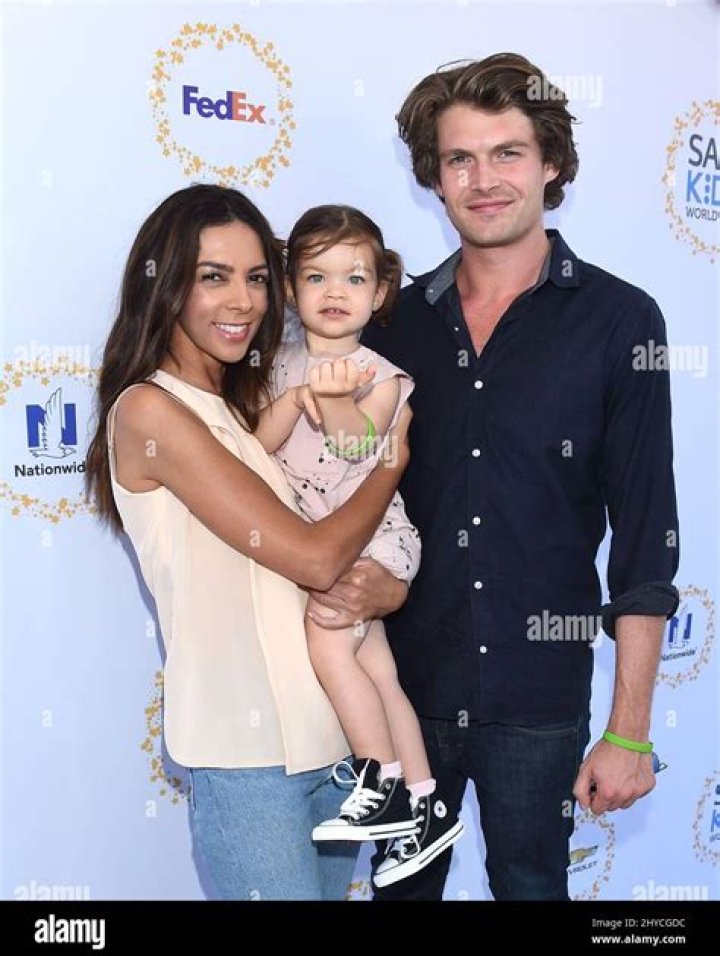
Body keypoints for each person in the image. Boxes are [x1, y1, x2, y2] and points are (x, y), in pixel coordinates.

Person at [308, 53, 680, 899]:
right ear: (434, 177)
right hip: (399, 690)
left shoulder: (621, 320)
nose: (483, 181)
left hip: (537, 700)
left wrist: (629, 729)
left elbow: (646, 536)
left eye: (507, 153)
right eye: (459, 159)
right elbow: (331, 479)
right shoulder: (390, 324)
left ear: (551, 164)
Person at [85, 184, 413, 901]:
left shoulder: (251, 404)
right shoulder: (150, 410)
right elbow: (314, 556)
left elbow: (339, 552)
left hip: (335, 746)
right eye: (214, 276)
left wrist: (387, 587)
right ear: (165, 283)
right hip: (246, 761)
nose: (242, 301)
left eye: (258, 278)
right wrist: (393, 460)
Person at [253, 205, 464, 881]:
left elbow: (355, 445)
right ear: (291, 290)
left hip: (377, 543)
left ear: (379, 293)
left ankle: (379, 782)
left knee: (326, 642)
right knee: (379, 672)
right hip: (327, 544)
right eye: (316, 276)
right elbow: (255, 449)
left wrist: (336, 398)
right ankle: (426, 805)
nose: (335, 292)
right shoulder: (276, 367)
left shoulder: (383, 375)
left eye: (354, 277)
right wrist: (296, 399)